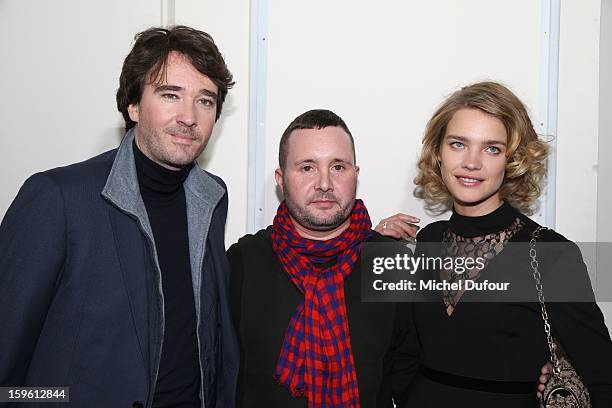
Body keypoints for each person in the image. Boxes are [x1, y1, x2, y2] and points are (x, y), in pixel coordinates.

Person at [0, 26, 238, 407]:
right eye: (170, 94)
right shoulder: (58, 199)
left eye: (205, 101)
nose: (189, 116)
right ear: (133, 105)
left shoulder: (211, 198)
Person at [379, 81, 612, 407]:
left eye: (492, 148)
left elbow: (601, 376)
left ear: (513, 160)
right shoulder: (429, 239)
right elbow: (404, 350)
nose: (471, 162)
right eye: (458, 144)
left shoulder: (551, 254)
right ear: (439, 153)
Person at [227, 109, 419, 407]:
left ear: (356, 174)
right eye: (307, 168)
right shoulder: (243, 262)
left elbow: (411, 379)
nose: (325, 183)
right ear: (281, 179)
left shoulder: (391, 264)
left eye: (338, 167)